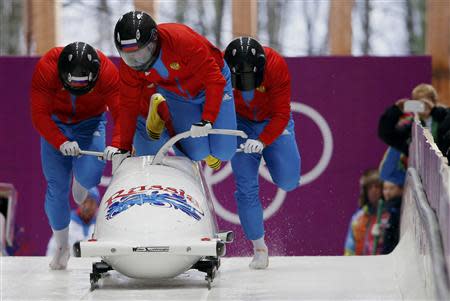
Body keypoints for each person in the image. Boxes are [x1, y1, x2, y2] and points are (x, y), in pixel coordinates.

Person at [30, 42, 120, 270]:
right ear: (61, 74)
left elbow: (122, 112)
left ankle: (82, 181)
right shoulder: (46, 68)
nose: (77, 88)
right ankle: (62, 246)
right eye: (72, 83)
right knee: (56, 187)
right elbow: (39, 114)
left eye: (84, 84)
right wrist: (60, 141)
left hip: (91, 124)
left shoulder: (107, 72)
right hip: (56, 125)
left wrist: (119, 143)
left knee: (89, 177)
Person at [108, 11, 237, 169]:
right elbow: (128, 105)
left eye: (142, 52)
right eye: (130, 56)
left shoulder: (182, 41)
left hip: (214, 83)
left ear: (155, 40)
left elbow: (214, 80)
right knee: (197, 153)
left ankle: (163, 109)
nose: (137, 61)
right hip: (176, 95)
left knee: (225, 152)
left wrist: (207, 119)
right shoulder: (129, 68)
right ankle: (162, 110)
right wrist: (124, 147)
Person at [223, 37, 301, 269]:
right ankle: (259, 248)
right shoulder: (221, 68)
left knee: (288, 181)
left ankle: (277, 161)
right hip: (240, 122)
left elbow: (281, 114)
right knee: (246, 186)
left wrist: (263, 140)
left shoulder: (276, 65)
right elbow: (217, 104)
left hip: (272, 121)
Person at [378, 83, 450, 156]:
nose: (422, 106)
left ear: (434, 101)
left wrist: (433, 111)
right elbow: (386, 134)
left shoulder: (445, 117)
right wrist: (396, 110)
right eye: (418, 102)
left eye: (425, 102)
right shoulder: (411, 127)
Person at [46, 187, 100, 257]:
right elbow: (52, 251)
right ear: (79, 203)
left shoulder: (100, 227)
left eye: (91, 202)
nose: (87, 206)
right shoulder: (66, 224)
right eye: (85, 201)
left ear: (97, 206)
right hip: (70, 267)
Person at [344, 169, 384, 256]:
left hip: (382, 266)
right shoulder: (358, 218)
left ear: (382, 189)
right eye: (370, 187)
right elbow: (349, 248)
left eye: (377, 186)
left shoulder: (389, 215)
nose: (374, 190)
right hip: (360, 266)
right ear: (365, 192)